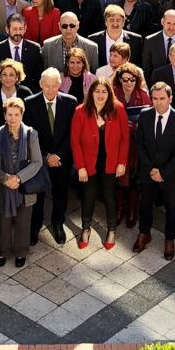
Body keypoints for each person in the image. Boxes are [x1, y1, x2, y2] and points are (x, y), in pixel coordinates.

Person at [69, 78, 129, 250]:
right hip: (89, 163)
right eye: (97, 91)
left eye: (104, 91)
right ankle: (86, 228)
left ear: (109, 93)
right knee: (89, 196)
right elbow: (75, 142)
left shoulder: (118, 109)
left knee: (109, 197)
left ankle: (111, 230)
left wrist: (122, 163)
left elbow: (125, 139)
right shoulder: (80, 111)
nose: (100, 95)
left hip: (111, 163)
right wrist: (80, 166)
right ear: (91, 93)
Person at [133, 83, 175, 261]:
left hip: (170, 176)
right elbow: (140, 144)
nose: (158, 103)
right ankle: (144, 233)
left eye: (162, 99)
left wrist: (162, 173)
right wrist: (151, 169)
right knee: (145, 205)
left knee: (172, 209)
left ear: (170, 98)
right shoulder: (145, 116)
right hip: (148, 173)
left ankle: (169, 239)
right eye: (155, 99)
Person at [24, 69, 79, 245]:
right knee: (39, 194)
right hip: (39, 158)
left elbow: (72, 133)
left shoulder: (70, 102)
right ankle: (35, 226)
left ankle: (57, 223)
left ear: (60, 85)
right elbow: (30, 134)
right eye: (46, 85)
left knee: (60, 191)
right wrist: (46, 155)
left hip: (62, 158)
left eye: (54, 85)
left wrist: (58, 156)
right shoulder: (30, 103)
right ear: (41, 85)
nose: (50, 89)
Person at [0, 97, 43, 268]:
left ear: (22, 114)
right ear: (5, 115)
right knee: (3, 222)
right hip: (4, 185)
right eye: (9, 114)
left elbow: (37, 162)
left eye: (16, 114)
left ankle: (21, 252)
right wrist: (5, 179)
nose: (13, 118)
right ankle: (2, 252)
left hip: (24, 185)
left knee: (24, 221)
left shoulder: (31, 134)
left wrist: (18, 178)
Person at [112, 63, 150, 228]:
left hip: (135, 143)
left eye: (131, 80)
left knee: (134, 178)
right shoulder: (113, 93)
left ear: (137, 80)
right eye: (125, 79)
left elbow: (149, 119)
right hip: (116, 142)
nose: (128, 83)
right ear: (119, 80)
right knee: (117, 177)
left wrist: (135, 126)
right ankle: (119, 209)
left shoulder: (143, 95)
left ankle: (132, 210)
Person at [0, 14, 44, 92]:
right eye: (14, 29)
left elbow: (39, 77)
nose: (18, 32)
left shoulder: (34, 49)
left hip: (29, 95)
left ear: (25, 29)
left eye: (21, 29)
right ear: (7, 29)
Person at [140, 9, 175, 78]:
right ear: (162, 22)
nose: (171, 27)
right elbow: (146, 69)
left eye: (174, 24)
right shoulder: (150, 41)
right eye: (168, 23)